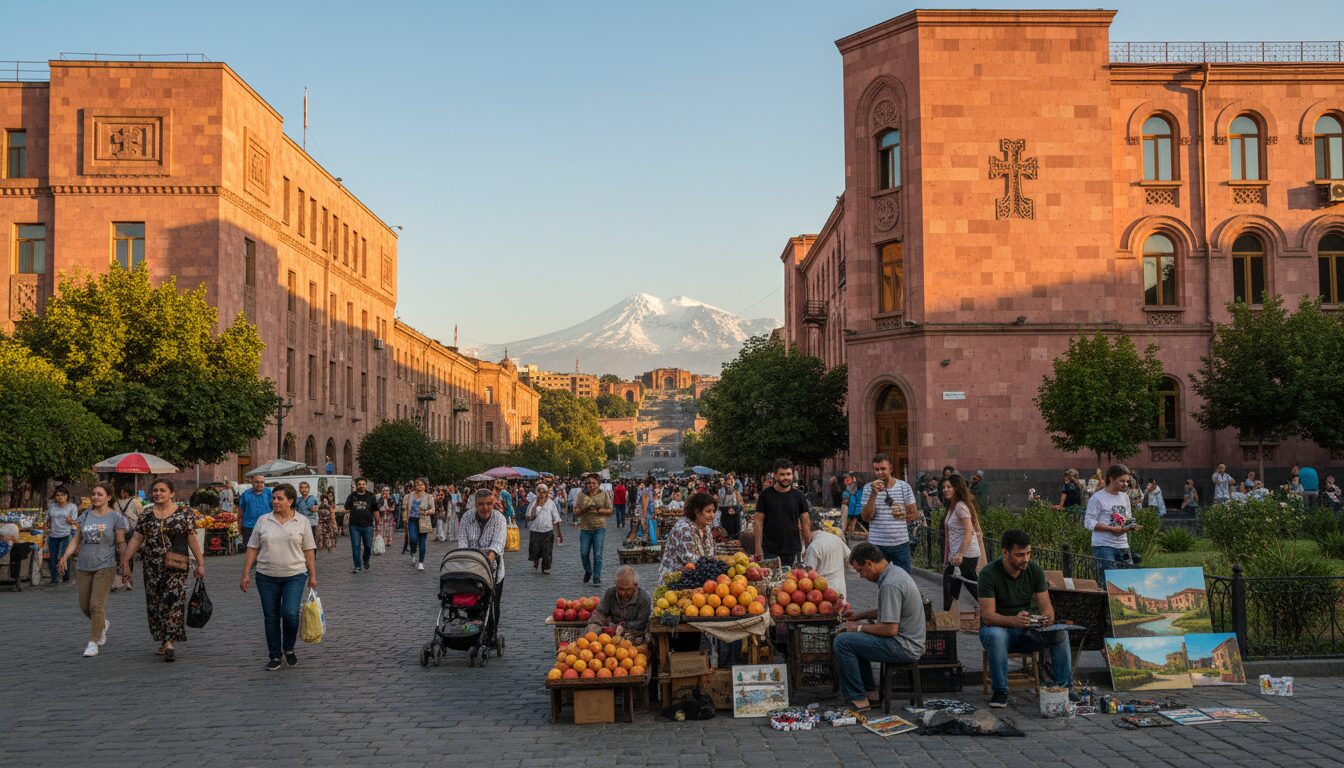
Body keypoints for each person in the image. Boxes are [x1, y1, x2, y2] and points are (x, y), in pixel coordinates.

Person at [978, 529, 1074, 708]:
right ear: (1005, 552)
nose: (1026, 559)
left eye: (1029, 553)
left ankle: (1065, 688)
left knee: (1060, 633)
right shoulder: (988, 573)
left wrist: (1045, 619)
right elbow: (988, 616)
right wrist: (1012, 620)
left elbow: (1048, 610)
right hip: (998, 629)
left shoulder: (1034, 570)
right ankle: (1000, 692)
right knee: (996, 635)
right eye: (1020, 555)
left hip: (1026, 629)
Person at [830, 542, 926, 711]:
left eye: (860, 570)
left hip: (904, 646)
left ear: (869, 563)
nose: (861, 576)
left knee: (843, 642)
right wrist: (857, 616)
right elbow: (885, 611)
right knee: (855, 641)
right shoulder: (894, 573)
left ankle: (857, 699)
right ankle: (870, 694)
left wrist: (857, 627)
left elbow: (890, 629)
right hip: (906, 641)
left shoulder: (890, 584)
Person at [119, 479, 205, 662]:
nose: (158, 493)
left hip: (177, 566)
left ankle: (169, 642)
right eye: (155, 490)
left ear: (172, 493)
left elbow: (192, 538)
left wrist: (200, 563)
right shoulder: (147, 514)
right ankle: (164, 638)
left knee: (173, 601)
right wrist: (125, 561)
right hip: (152, 566)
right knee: (156, 603)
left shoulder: (184, 513)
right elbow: (136, 539)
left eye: (162, 490)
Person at [239, 483, 317, 671]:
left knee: (290, 613)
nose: (275, 501)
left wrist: (312, 575)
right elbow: (253, 547)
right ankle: (274, 655)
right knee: (271, 617)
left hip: (295, 575)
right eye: (273, 498)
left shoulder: (302, 521)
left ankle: (288, 648)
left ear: (290, 501)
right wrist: (245, 573)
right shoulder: (263, 520)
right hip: (266, 576)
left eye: (280, 498)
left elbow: (308, 550)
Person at [57, 482, 126, 657]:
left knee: (96, 605)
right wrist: (64, 557)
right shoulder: (85, 515)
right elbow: (76, 540)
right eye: (93, 494)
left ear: (108, 497)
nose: (95, 497)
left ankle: (93, 642)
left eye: (99, 494)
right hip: (83, 566)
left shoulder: (115, 518)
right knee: (84, 606)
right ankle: (102, 623)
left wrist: (125, 563)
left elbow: (120, 543)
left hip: (105, 566)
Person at [1083, 464, 1140, 588]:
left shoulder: (1124, 497)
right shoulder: (1097, 498)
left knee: (1128, 582)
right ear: (1112, 479)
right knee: (1109, 584)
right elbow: (1088, 522)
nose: (1126, 484)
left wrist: (1130, 526)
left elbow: (1128, 517)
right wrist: (1111, 529)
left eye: (1127, 481)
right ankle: (1107, 607)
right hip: (1103, 546)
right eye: (1122, 481)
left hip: (1122, 545)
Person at [860, 453, 918, 573]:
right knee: (881, 580)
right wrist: (873, 494)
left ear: (890, 468)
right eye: (876, 469)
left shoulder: (904, 487)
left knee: (904, 579)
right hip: (877, 545)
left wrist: (902, 514)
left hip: (900, 544)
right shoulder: (868, 488)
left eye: (883, 469)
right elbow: (866, 517)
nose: (879, 472)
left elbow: (914, 514)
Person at [753, 458, 812, 567]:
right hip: (769, 549)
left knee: (792, 582)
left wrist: (809, 547)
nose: (786, 477)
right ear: (775, 475)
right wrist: (757, 547)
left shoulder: (799, 496)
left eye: (788, 474)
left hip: (792, 549)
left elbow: (805, 523)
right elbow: (758, 521)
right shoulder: (765, 495)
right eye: (782, 474)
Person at [459, 489, 507, 622]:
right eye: (481, 504)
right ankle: (473, 632)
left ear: (493, 503)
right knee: (471, 605)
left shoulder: (499, 519)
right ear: (475, 504)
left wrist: (485, 563)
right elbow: (462, 543)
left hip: (493, 570)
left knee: (492, 606)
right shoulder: (466, 517)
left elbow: (497, 545)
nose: (485, 507)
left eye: (489, 503)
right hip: (470, 568)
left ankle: (492, 634)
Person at [940, 473, 982, 612]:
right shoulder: (953, 506)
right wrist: (948, 558)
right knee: (953, 588)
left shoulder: (960, 506)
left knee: (968, 588)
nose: (945, 489)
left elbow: (969, 531)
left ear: (957, 488)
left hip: (965, 555)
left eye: (949, 487)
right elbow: (950, 535)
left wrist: (960, 554)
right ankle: (948, 621)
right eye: (944, 487)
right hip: (957, 556)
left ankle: (994, 612)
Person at [660, 492, 717, 580]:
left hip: (696, 576)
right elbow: (690, 560)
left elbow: (710, 553)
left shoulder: (705, 527)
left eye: (713, 511)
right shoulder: (684, 528)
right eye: (708, 511)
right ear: (697, 512)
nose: (712, 515)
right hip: (675, 579)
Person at [592, 566, 653, 640]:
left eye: (628, 590)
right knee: (592, 630)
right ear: (615, 584)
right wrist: (599, 624)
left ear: (635, 585)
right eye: (620, 589)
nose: (623, 593)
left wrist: (623, 626)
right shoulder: (610, 593)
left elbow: (642, 622)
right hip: (610, 633)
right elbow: (600, 612)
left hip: (633, 633)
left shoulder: (644, 598)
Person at [575, 473, 614, 586]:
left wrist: (599, 510)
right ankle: (588, 570)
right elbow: (576, 512)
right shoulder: (581, 495)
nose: (591, 485)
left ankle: (597, 576)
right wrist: (584, 509)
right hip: (585, 528)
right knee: (584, 553)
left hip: (599, 527)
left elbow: (610, 510)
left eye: (593, 483)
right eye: (588, 483)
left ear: (598, 484)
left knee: (597, 554)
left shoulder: (604, 494)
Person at [802, 525, 850, 600]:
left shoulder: (813, 547)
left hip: (824, 593)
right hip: (840, 589)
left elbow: (808, 575)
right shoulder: (836, 538)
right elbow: (849, 557)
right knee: (842, 609)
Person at [525, 483, 563, 574]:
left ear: (546, 493)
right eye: (539, 491)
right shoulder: (533, 502)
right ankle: (536, 560)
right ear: (536, 492)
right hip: (535, 530)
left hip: (547, 531)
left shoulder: (551, 503)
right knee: (535, 549)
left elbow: (556, 519)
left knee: (547, 550)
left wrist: (559, 533)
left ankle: (545, 568)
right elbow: (527, 516)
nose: (541, 493)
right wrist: (534, 509)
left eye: (543, 492)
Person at [45, 486, 79, 585]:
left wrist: (70, 521)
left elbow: (75, 522)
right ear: (55, 496)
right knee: (53, 557)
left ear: (67, 496)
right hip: (53, 534)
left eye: (63, 495)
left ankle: (65, 576)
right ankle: (54, 578)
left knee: (65, 555)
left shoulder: (72, 507)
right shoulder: (52, 506)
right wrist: (47, 525)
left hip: (66, 534)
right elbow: (47, 518)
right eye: (58, 495)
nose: (60, 497)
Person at [111, 485, 142, 592]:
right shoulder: (135, 502)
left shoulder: (115, 503)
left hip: (118, 530)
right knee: (129, 555)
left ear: (124, 492)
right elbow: (141, 515)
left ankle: (119, 580)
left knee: (118, 555)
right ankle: (128, 580)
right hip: (131, 531)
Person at [344, 477, 378, 574]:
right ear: (356, 485)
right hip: (354, 525)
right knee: (355, 545)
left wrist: (378, 523)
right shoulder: (352, 496)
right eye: (359, 484)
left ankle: (366, 560)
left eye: (363, 484)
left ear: (366, 485)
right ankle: (357, 566)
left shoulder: (371, 496)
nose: (361, 486)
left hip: (368, 525)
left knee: (368, 545)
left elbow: (375, 510)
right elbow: (346, 507)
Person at [402, 478, 435, 571]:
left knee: (422, 542)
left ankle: (421, 562)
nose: (420, 486)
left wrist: (426, 512)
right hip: (412, 520)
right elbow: (405, 509)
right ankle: (413, 552)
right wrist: (404, 519)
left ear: (425, 486)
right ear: (415, 486)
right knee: (413, 539)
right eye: (417, 484)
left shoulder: (429, 496)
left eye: (422, 484)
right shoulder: (409, 496)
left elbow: (433, 510)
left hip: (424, 521)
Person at [237, 474, 273, 551]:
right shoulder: (245, 494)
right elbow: (240, 512)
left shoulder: (269, 493)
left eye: (262, 482)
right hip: (249, 527)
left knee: (267, 550)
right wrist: (239, 527)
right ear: (252, 483)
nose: (260, 484)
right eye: (257, 482)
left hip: (267, 526)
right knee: (251, 550)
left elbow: (275, 509)